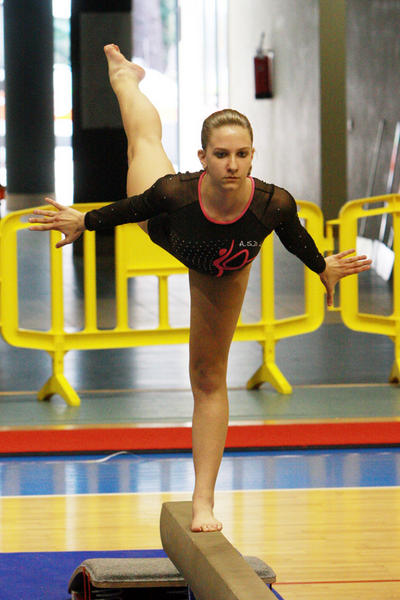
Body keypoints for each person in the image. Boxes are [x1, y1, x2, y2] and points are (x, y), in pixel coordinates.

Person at [28, 44, 372, 532]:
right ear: (203, 157)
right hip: (163, 227)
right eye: (221, 154)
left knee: (209, 378)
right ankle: (126, 78)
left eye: (242, 154)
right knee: (143, 143)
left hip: (223, 272)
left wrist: (322, 267)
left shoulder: (273, 203)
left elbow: (294, 237)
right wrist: (84, 221)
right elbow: (128, 211)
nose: (232, 164)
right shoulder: (175, 191)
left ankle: (203, 502)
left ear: (252, 156)